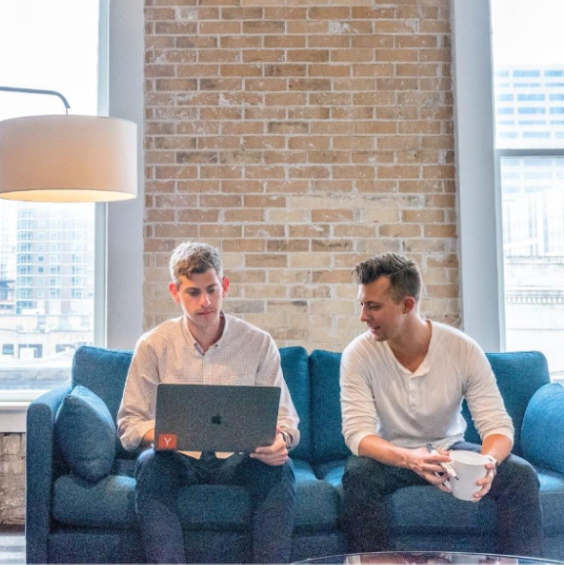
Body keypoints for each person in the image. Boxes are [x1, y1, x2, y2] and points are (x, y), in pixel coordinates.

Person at [339, 253, 544, 555]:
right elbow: (357, 434)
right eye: (362, 304)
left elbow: (497, 426)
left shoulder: (462, 349)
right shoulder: (358, 354)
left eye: (374, 306)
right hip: (391, 454)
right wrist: (410, 458)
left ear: (407, 305)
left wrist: (486, 465)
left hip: (450, 451)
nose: (363, 316)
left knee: (521, 475)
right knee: (358, 475)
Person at [116, 242, 297, 565]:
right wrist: (164, 431)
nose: (206, 302)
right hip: (178, 457)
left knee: (281, 470)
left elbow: (285, 419)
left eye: (212, 290)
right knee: (149, 465)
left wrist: (280, 441)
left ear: (224, 286)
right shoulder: (153, 345)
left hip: (241, 458)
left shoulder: (257, 343)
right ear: (175, 293)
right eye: (193, 293)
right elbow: (129, 423)